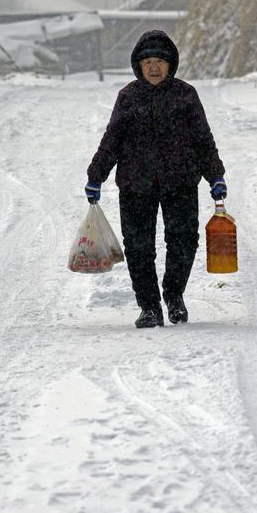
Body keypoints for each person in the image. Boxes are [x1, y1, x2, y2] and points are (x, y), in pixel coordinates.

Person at [85, 30, 227, 328]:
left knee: (184, 241)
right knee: (138, 247)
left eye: (159, 61)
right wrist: (96, 175)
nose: (153, 67)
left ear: (171, 64)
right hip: (137, 185)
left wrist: (215, 176)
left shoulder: (186, 95)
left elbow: (203, 140)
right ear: (138, 65)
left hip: (181, 183)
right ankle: (149, 306)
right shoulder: (128, 97)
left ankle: (174, 296)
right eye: (147, 61)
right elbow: (112, 139)